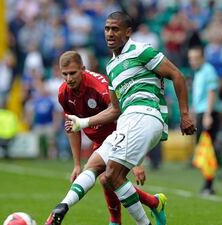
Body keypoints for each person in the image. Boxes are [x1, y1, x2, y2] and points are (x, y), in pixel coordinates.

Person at [46, 11, 195, 225]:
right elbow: (115, 110)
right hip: (127, 120)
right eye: (107, 28)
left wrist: (185, 114)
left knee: (112, 176)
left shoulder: (141, 51)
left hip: (145, 114)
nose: (109, 33)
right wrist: (83, 123)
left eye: (115, 29)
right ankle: (63, 206)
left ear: (127, 32)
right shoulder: (112, 66)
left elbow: (177, 75)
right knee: (97, 168)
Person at [45, 50, 167, 225]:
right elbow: (72, 127)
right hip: (100, 140)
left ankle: (119, 220)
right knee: (104, 177)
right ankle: (154, 203)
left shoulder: (99, 86)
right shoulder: (63, 93)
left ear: (83, 69)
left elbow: (121, 113)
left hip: (121, 133)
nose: (69, 78)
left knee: (107, 178)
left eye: (72, 73)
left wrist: (136, 162)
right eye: (64, 74)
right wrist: (77, 164)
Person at [188, 46, 219, 195]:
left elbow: (211, 92)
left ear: (202, 58)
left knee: (207, 149)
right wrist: (193, 111)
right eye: (190, 59)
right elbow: (198, 95)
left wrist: (208, 114)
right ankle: (207, 183)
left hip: (208, 113)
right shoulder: (198, 72)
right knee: (203, 148)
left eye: (195, 58)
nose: (192, 62)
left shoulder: (208, 71)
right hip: (200, 112)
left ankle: (209, 184)